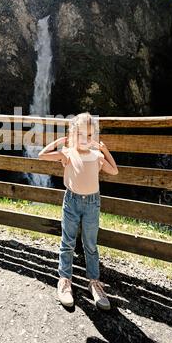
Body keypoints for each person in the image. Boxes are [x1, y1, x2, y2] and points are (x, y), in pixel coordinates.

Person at [38, 112, 118, 310]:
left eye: (90, 136)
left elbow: (114, 170)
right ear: (73, 135)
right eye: (81, 135)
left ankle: (94, 283)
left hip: (92, 204)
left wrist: (105, 150)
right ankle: (65, 280)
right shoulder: (67, 153)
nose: (85, 139)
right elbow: (42, 155)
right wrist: (60, 140)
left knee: (90, 244)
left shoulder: (97, 156)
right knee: (68, 242)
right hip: (71, 202)